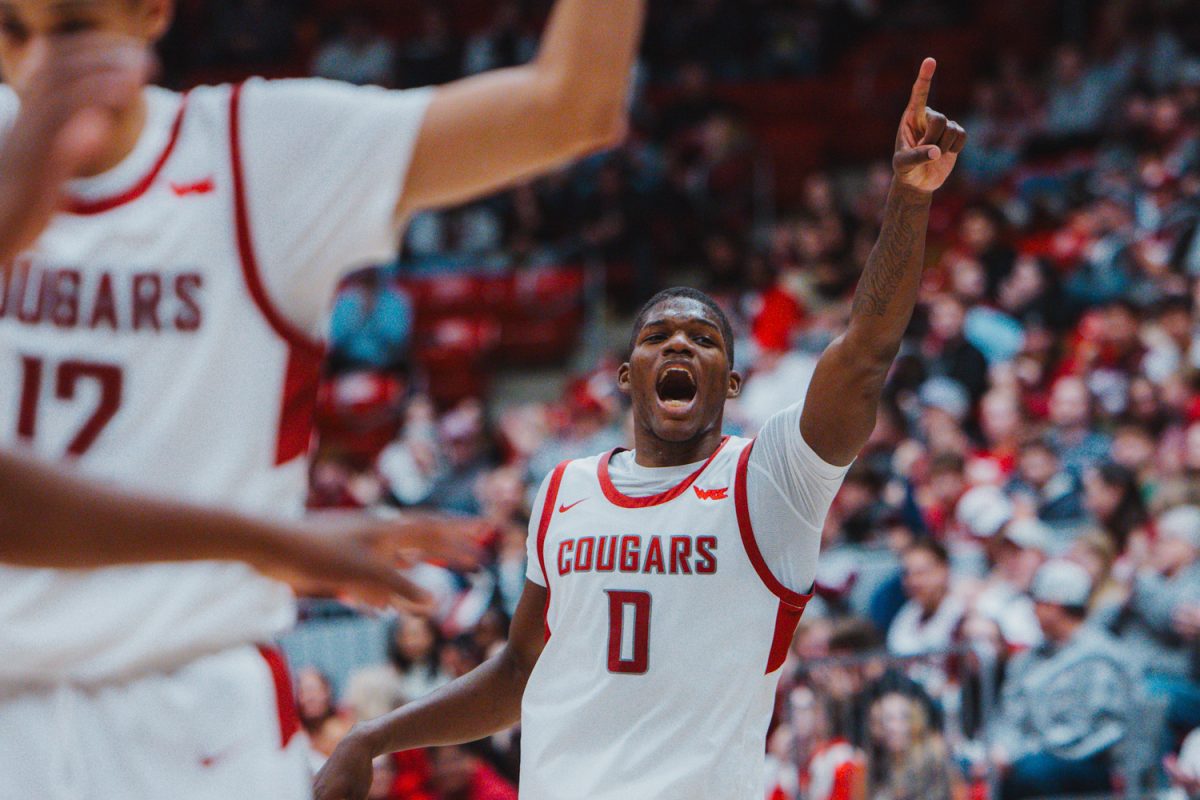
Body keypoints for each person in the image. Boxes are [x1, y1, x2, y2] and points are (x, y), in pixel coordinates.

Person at [0, 0, 644, 796]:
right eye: (10, 31)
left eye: (69, 30)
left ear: (149, 11)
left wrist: (276, 543)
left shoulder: (257, 153)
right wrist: (279, 542)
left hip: (190, 715)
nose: (39, 67)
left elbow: (568, 106)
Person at [316, 59, 967, 800]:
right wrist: (373, 736)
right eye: (658, 337)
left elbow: (864, 354)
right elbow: (520, 672)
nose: (682, 344)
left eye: (705, 338)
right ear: (626, 376)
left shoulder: (770, 481)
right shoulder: (565, 488)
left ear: (732, 381)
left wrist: (909, 200)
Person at [989, 560, 1135, 800]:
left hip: (1085, 762)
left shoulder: (1102, 657)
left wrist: (1020, 754)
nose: (1032, 610)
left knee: (1031, 773)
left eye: (1036, 603)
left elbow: (1089, 732)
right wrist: (1002, 750)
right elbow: (1009, 715)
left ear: (1054, 605)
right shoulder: (1027, 660)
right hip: (1030, 756)